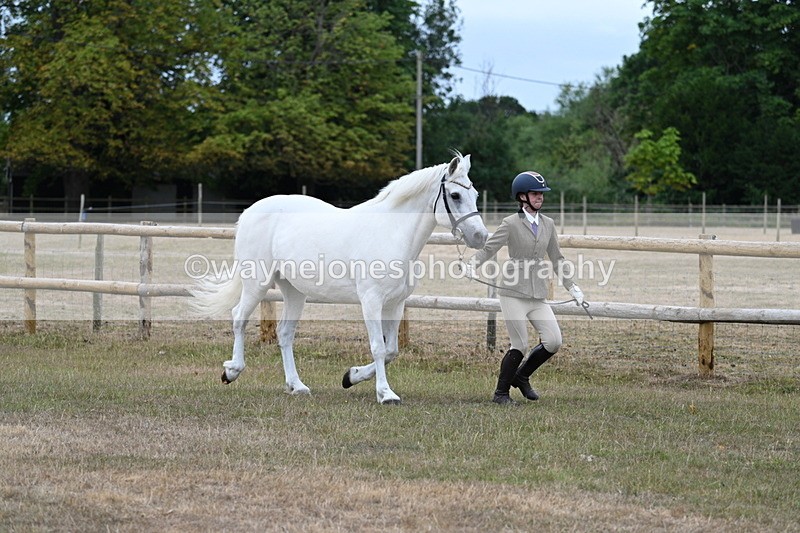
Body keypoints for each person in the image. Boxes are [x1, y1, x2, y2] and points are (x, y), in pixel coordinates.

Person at [467, 171, 585, 405]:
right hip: (512, 292)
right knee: (519, 344)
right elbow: (489, 248)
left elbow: (557, 258)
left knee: (553, 341)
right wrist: (472, 264)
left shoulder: (548, 224)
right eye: (534, 193)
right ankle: (500, 393)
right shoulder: (510, 224)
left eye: (541, 193)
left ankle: (522, 376)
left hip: (538, 293)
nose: (539, 197)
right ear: (522, 197)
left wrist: (572, 287)